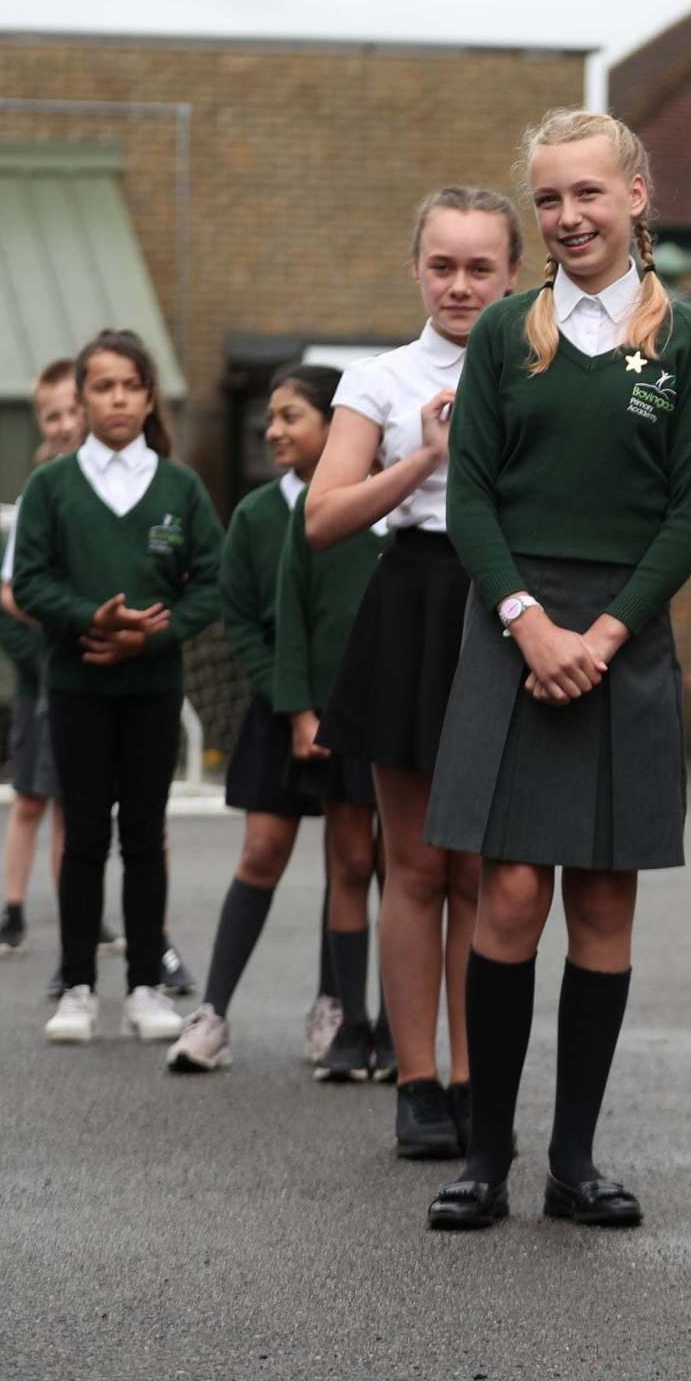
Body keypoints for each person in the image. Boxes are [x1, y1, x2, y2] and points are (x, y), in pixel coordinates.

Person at [421, 109, 691, 1233]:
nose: (567, 217)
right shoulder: (505, 332)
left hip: (623, 640)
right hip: (514, 633)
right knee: (505, 895)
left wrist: (602, 635)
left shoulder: (682, 341)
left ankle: (574, 1161)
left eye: (587, 194)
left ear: (636, 196)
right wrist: (529, 624)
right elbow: (471, 498)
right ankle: (484, 1159)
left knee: (603, 900)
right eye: (548, 199)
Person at [305, 186, 521, 1154]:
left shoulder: (544, 365)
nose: (461, 283)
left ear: (515, 272)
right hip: (413, 600)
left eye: (481, 266)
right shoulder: (378, 378)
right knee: (415, 863)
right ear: (417, 267)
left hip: (506, 604)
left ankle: (477, 1079)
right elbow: (323, 518)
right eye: (443, 264)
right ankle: (418, 1080)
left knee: (483, 862)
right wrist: (422, 460)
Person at [11, 330, 223, 1046]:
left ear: (148, 394)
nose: (119, 398)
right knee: (82, 841)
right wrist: (87, 620)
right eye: (103, 386)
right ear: (82, 398)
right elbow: (29, 582)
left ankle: (142, 984)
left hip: (153, 687)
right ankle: (76, 986)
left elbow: (213, 584)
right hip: (76, 685)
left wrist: (152, 635)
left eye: (131, 385)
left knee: (143, 835)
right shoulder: (51, 486)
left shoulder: (179, 486)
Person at [167, 364, 378, 1074]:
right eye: (271, 418)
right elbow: (243, 625)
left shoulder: (373, 505)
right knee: (262, 852)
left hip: (358, 717)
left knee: (353, 860)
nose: (274, 430)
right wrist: (292, 706)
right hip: (282, 713)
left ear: (336, 423)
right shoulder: (257, 515)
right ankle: (213, 1013)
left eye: (292, 416)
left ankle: (336, 1013)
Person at [268, 378, 389, 1080]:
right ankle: (349, 1021)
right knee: (348, 864)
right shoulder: (317, 513)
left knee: (407, 871)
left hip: (404, 716)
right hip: (336, 719)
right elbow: (291, 615)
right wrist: (301, 710)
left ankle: (404, 1031)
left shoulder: (418, 512)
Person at [0, 360, 83, 959]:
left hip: (89, 675)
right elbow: (10, 599)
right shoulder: (36, 499)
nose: (67, 424)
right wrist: (46, 651)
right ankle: (13, 908)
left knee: (76, 807)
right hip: (42, 679)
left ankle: (79, 911)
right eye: (54, 416)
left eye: (74, 411)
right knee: (30, 799)